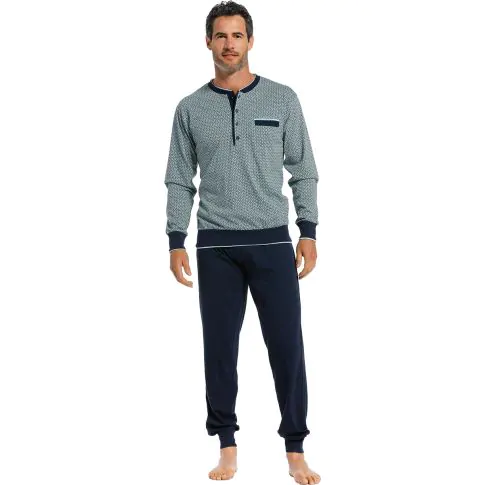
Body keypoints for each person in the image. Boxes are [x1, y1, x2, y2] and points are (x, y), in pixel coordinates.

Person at [164, 2, 321, 483]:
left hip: (273, 243)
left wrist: (308, 230)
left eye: (237, 35)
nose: (229, 44)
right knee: (219, 350)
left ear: (250, 41)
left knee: (287, 347)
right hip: (215, 246)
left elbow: (304, 169)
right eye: (221, 35)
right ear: (208, 42)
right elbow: (179, 179)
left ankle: (295, 449)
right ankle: (226, 444)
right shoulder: (189, 108)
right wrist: (175, 239)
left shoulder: (282, 99)